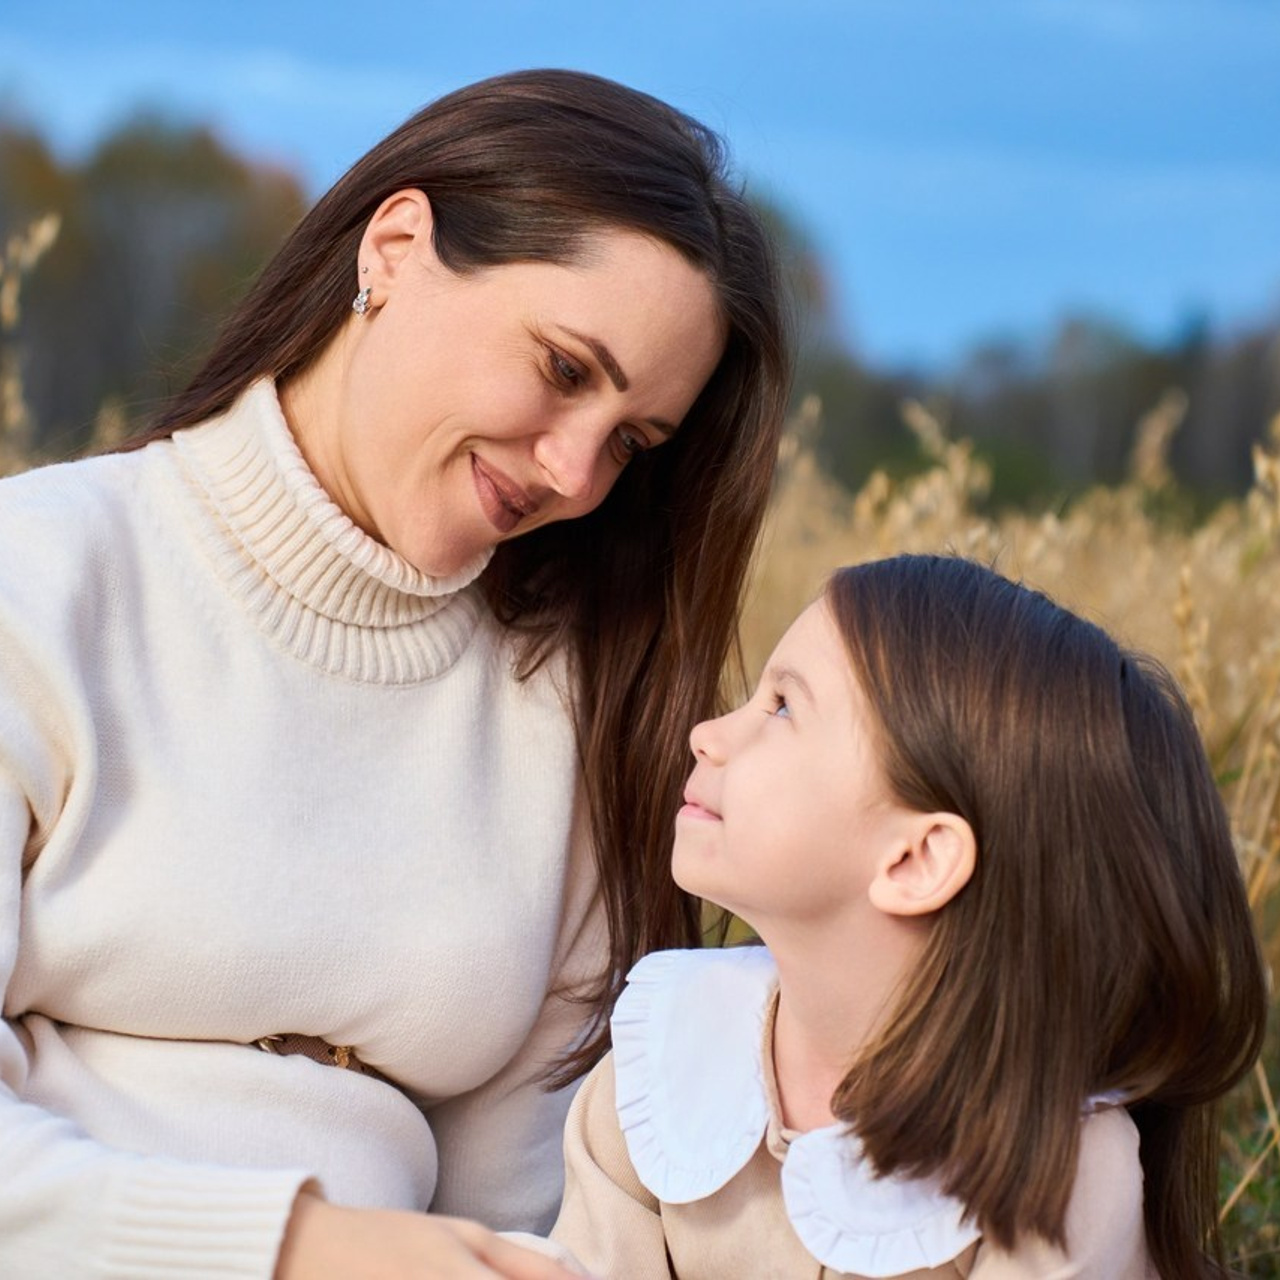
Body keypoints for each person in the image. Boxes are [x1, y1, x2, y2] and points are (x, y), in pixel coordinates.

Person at [0, 70, 790, 1277]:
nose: (576, 473)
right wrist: (296, 1246)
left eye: (632, 441)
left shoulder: (565, 711)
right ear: (397, 247)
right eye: (564, 369)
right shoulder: (44, 580)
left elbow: (537, 1209)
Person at [550, 555, 1269, 1279]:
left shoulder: (1052, 1176)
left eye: (783, 707)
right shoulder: (668, 1060)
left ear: (915, 861)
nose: (708, 733)